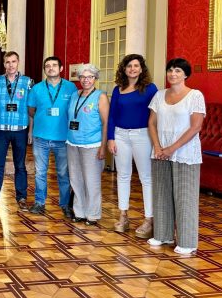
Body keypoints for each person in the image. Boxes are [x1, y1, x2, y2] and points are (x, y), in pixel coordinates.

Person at [147, 58, 205, 255]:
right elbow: (152, 123)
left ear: (185, 74)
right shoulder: (159, 95)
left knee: (185, 197)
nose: (173, 74)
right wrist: (157, 146)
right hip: (160, 151)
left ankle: (188, 242)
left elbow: (196, 126)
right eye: (170, 70)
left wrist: (172, 148)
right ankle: (163, 235)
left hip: (184, 152)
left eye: (178, 71)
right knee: (161, 193)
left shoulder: (195, 95)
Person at [107, 54, 158, 238]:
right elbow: (112, 115)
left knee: (146, 177)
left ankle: (149, 220)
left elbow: (156, 114)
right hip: (120, 135)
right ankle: (123, 215)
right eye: (129, 66)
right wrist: (110, 138)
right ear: (124, 69)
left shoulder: (150, 89)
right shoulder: (117, 89)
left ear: (141, 69)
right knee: (123, 175)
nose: (133, 69)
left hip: (142, 135)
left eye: (136, 66)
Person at [27, 56, 77, 216]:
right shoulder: (37, 89)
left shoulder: (71, 88)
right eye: (47, 66)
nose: (50, 68)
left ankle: (65, 205)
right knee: (40, 172)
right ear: (44, 70)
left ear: (61, 68)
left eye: (54, 65)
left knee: (63, 173)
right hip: (41, 137)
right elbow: (31, 111)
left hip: (63, 138)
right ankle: (39, 202)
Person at [0, 51, 33, 210]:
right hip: (1, 129)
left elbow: (31, 108)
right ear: (4, 64)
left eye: (13, 61)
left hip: (21, 129)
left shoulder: (28, 82)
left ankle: (21, 196)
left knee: (20, 165)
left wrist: (30, 131)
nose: (10, 65)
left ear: (18, 62)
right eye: (7, 62)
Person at [66, 64, 109, 225]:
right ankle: (79, 211)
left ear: (95, 79)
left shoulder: (100, 96)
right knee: (75, 179)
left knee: (91, 181)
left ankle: (93, 214)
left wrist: (103, 147)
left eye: (90, 77)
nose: (86, 80)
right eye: (83, 77)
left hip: (92, 144)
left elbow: (106, 123)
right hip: (72, 142)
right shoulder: (74, 95)